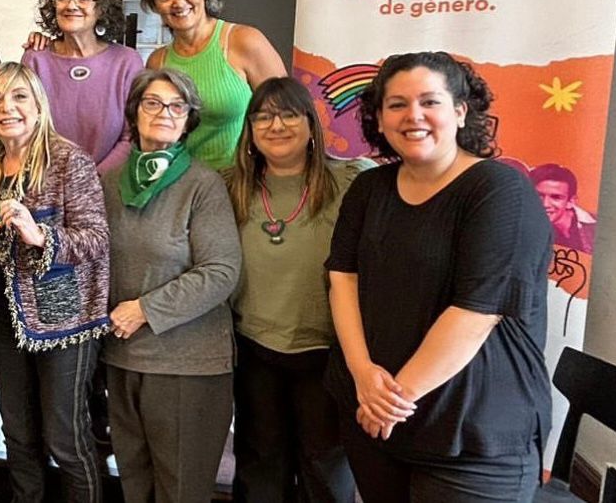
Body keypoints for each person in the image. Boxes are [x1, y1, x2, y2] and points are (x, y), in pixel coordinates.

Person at [326, 52, 552, 502]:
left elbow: (476, 312)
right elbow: (342, 278)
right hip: (374, 421)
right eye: (397, 104)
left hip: (470, 435)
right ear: (379, 118)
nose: (413, 115)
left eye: (429, 101)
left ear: (461, 111)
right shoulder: (368, 188)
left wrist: (392, 402)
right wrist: (361, 373)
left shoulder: (500, 191)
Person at [225, 77, 370, 502]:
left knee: (324, 470)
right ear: (249, 130)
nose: (276, 125)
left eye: (289, 114)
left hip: (327, 352)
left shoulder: (353, 180)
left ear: (311, 124)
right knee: (259, 466)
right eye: (263, 117)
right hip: (255, 350)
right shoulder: (229, 186)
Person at [0, 62, 111, 503]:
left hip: (65, 318)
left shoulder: (70, 160)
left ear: (38, 106)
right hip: (6, 317)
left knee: (65, 437)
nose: (7, 108)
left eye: (19, 97)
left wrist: (39, 235)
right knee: (17, 433)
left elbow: (97, 238)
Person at [101, 68, 241, 503]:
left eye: (177, 106)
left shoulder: (202, 185)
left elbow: (221, 271)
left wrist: (144, 309)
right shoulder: (109, 182)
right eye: (153, 103)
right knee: (135, 487)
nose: (164, 112)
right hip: (122, 359)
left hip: (187, 365)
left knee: (180, 493)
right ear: (134, 113)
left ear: (188, 120)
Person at [140, 0, 286, 171]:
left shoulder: (245, 41)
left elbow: (287, 115)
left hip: (241, 180)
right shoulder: (157, 62)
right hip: (181, 182)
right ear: (155, 5)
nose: (178, 2)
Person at [21, 0, 143, 174]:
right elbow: (26, 131)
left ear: (101, 7)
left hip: (109, 182)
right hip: (47, 182)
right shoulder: (35, 60)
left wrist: (90, 180)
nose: (71, 5)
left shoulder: (126, 62)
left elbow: (131, 135)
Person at [529, 163, 595, 253]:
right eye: (538, 195)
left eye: (556, 197)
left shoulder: (597, 228)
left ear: (571, 202)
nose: (545, 204)